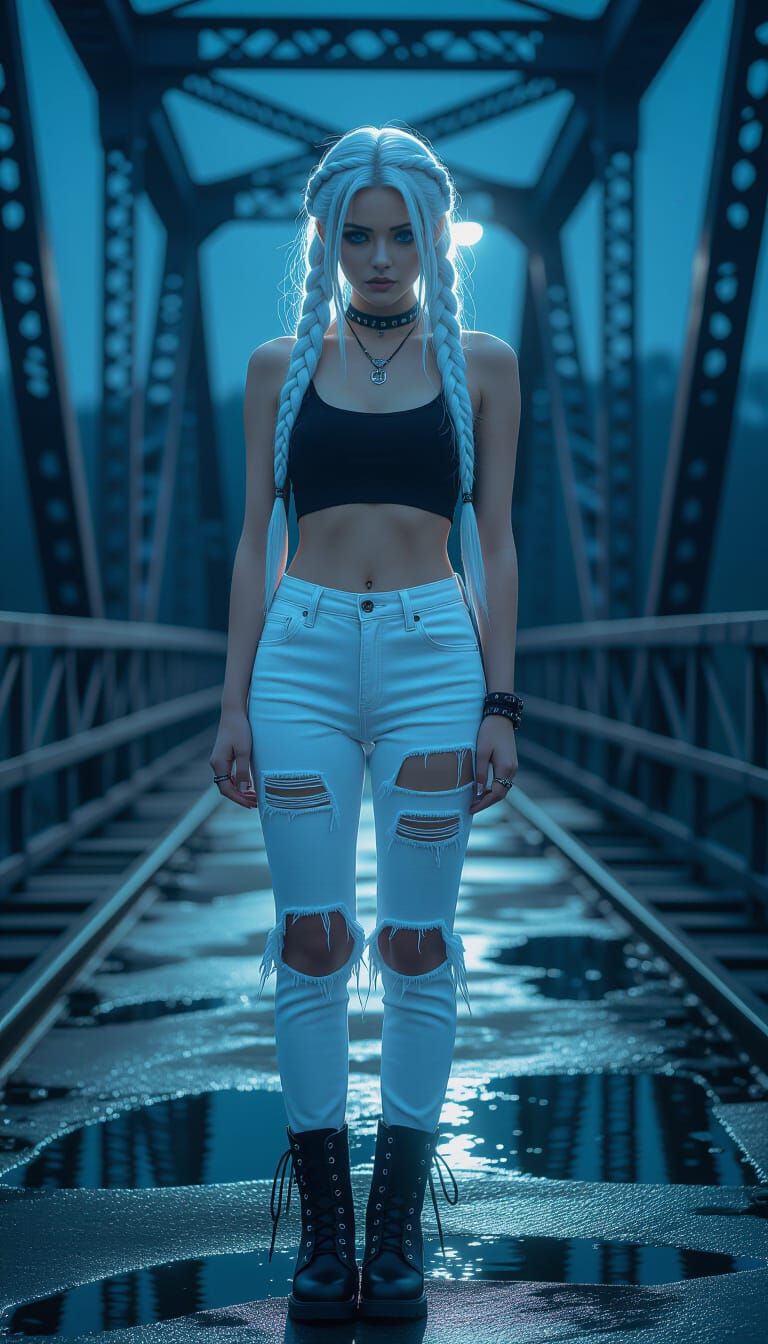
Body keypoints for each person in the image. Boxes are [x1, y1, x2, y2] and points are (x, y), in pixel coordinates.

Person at [209, 124, 522, 1323]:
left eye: (403, 234)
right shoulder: (277, 365)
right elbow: (255, 539)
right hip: (299, 659)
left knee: (417, 944)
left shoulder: (483, 362)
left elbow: (495, 537)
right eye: (358, 234)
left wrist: (501, 700)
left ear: (433, 238)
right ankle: (324, 1239)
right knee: (311, 938)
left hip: (438, 657)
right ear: (328, 238)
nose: (380, 255)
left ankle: (397, 1232)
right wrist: (233, 700)